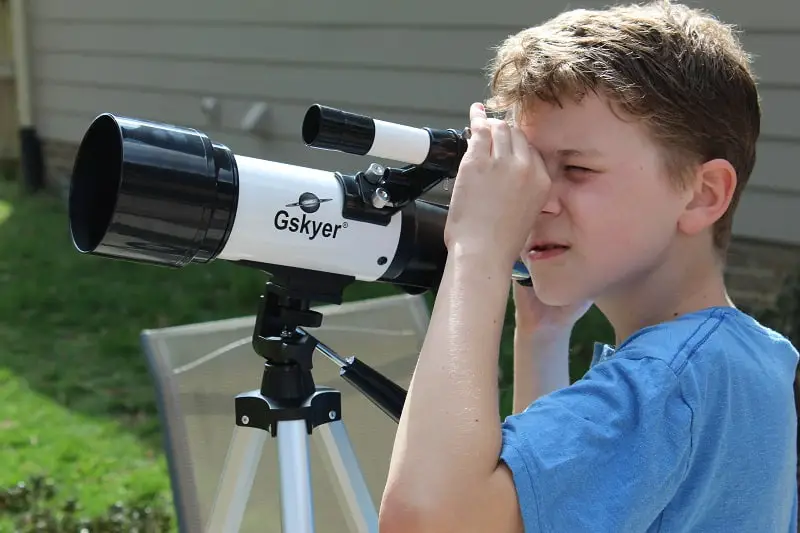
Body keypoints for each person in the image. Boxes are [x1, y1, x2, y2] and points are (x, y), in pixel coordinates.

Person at [377, 1, 800, 532]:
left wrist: (476, 251)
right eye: (528, 169)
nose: (534, 200)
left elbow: (428, 520)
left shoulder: (664, 385)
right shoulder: (751, 359)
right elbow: (553, 509)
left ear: (701, 195)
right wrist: (542, 335)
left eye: (576, 168)